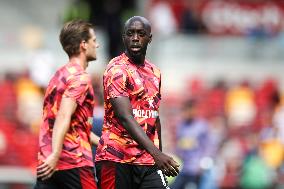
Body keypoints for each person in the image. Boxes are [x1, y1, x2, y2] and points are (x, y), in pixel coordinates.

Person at [95, 16, 179, 189]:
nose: (135, 38)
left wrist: (158, 155)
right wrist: (157, 154)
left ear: (150, 38)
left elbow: (154, 117)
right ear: (123, 37)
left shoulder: (155, 72)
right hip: (116, 158)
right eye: (130, 33)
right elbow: (125, 117)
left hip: (147, 160)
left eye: (141, 33)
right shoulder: (116, 70)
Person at [34, 19, 100, 189]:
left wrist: (103, 143)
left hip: (48, 162)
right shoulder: (81, 78)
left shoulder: (58, 76)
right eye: (94, 41)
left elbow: (76, 126)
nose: (97, 45)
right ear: (84, 45)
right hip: (74, 160)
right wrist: (56, 153)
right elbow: (63, 116)